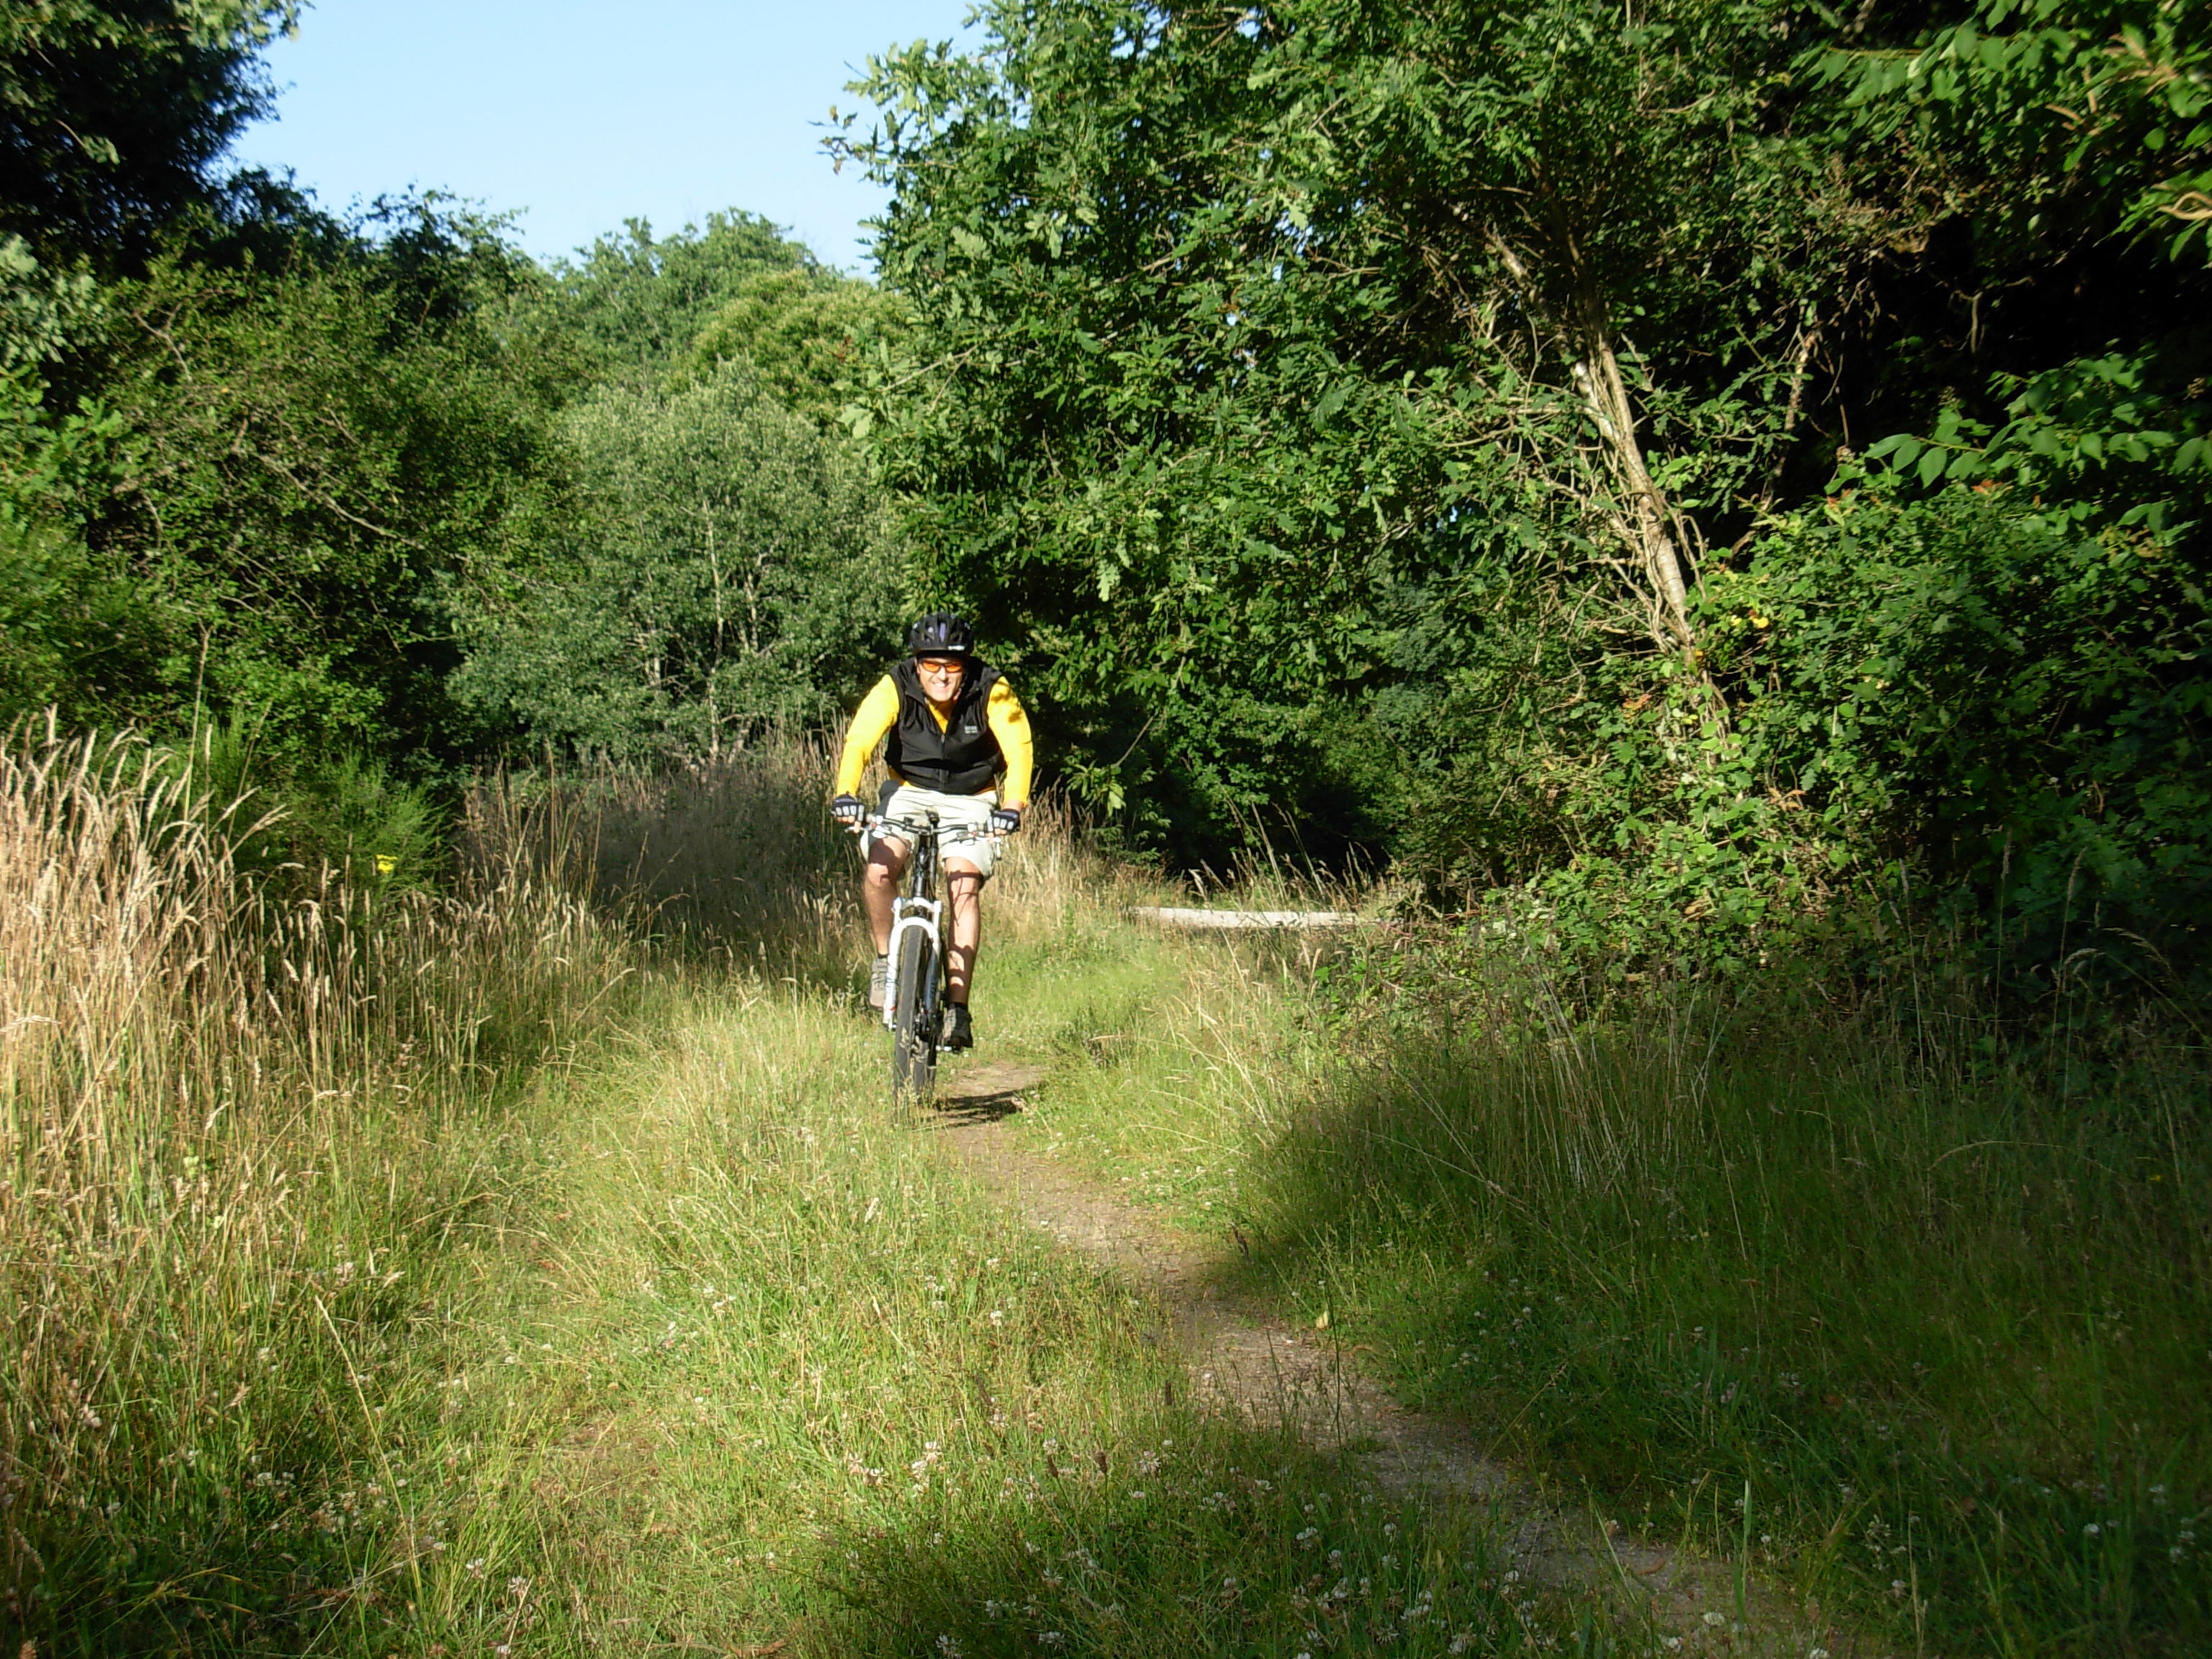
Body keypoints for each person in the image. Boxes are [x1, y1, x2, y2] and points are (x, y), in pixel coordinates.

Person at [830, 613, 1033, 1050]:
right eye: (931, 665)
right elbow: (860, 740)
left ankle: (957, 1009)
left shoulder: (992, 689)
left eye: (952, 666)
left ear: (966, 666)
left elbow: (1019, 752)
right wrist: (846, 792)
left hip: (971, 795)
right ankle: (886, 961)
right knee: (880, 868)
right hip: (909, 790)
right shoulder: (895, 684)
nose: (941, 676)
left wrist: (1012, 807)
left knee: (963, 881)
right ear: (917, 664)